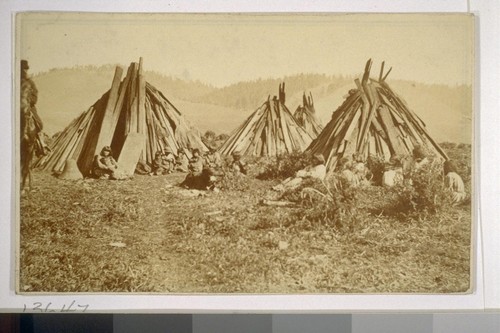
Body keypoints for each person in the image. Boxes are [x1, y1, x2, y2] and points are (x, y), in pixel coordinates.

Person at [20, 59, 48, 156]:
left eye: (26, 69)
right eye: (23, 69)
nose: (25, 71)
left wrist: (28, 100)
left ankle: (40, 143)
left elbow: (35, 97)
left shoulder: (30, 83)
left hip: (28, 107)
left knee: (39, 124)